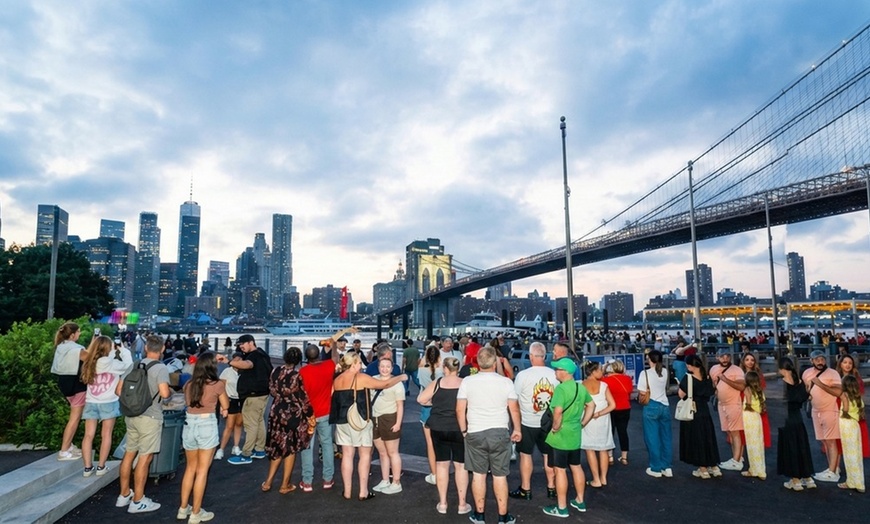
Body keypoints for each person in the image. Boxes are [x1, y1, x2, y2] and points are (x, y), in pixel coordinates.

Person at [455, 346, 522, 524]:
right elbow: (513, 408)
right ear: (494, 362)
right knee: (500, 476)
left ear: (478, 362)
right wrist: (517, 429)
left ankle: (480, 514)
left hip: (475, 431)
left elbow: (460, 409)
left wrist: (464, 430)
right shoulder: (506, 382)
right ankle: (503, 517)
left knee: (479, 475)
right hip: (499, 431)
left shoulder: (467, 382)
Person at [330, 353, 406, 501]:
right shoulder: (360, 378)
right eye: (359, 363)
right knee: (364, 455)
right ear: (353, 364)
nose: (361, 366)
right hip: (359, 421)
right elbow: (384, 384)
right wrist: (400, 377)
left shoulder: (337, 380)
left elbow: (332, 397)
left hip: (342, 421)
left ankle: (347, 491)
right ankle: (363, 492)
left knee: (347, 455)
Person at [117, 335, 172, 514]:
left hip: (131, 415)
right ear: (162, 349)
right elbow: (164, 393)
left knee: (129, 454)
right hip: (150, 418)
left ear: (146, 348)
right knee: (145, 458)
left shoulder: (133, 365)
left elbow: (118, 390)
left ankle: (124, 495)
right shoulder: (161, 368)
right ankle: (138, 500)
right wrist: (169, 393)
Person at [178, 352, 229, 523]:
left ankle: (183, 508)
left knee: (190, 468)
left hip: (189, 424)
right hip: (206, 425)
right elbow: (226, 405)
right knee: (202, 471)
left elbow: (187, 404)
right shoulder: (217, 385)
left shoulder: (188, 384)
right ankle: (196, 513)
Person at [542, 358, 595, 518]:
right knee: (576, 466)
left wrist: (556, 427)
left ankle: (562, 507)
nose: (555, 372)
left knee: (560, 470)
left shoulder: (561, 389)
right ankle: (580, 500)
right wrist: (583, 423)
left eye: (557, 369)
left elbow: (557, 411)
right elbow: (591, 406)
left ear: (564, 372)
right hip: (575, 433)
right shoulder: (580, 387)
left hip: (561, 436)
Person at [418, 357, 471, 515]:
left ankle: (442, 503)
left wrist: (435, 403)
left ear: (444, 368)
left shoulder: (438, 382)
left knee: (442, 465)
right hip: (458, 428)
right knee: (461, 466)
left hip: (438, 427)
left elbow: (420, 399)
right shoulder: (464, 383)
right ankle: (462, 504)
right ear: (458, 368)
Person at [261, 347, 314, 494]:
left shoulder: (275, 371)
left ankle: (268, 482)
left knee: (277, 446)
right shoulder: (297, 375)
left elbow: (271, 390)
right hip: (292, 413)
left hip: (276, 410)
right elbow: (303, 399)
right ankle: (285, 485)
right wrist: (310, 415)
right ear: (298, 360)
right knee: (290, 448)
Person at [509, 342, 557, 501]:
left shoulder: (523, 375)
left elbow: (513, 400)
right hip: (549, 423)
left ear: (530, 356)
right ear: (545, 356)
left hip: (527, 421)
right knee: (548, 455)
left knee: (525, 455)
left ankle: (526, 489)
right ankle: (551, 487)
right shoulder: (554, 374)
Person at [80, 335, 132, 477]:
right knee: (106, 435)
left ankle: (87, 468)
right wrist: (122, 350)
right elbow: (129, 366)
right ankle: (101, 466)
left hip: (91, 401)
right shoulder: (112, 364)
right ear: (109, 348)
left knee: (88, 435)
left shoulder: (89, 363)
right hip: (109, 402)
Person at [227, 334, 273, 465]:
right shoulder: (262, 354)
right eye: (239, 345)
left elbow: (247, 365)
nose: (241, 347)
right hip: (262, 394)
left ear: (251, 342)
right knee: (258, 421)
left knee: (251, 424)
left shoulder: (253, 356)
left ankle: (246, 454)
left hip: (253, 396)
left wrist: (228, 361)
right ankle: (259, 449)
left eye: (243, 344)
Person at [298, 344, 337, 492]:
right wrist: (332, 345)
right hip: (325, 412)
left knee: (307, 447)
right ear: (319, 355)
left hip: (309, 415)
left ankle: (307, 481)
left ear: (306, 357)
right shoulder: (328, 366)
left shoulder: (302, 371)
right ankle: (327, 479)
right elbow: (335, 357)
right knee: (327, 445)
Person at [678, 354, 721, 479]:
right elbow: (712, 392)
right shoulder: (707, 377)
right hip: (705, 411)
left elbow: (681, 394)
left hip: (693, 412)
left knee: (697, 439)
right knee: (708, 438)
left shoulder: (688, 378)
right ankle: (714, 466)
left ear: (690, 366)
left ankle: (702, 469)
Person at [802, 350, 842, 483]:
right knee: (824, 441)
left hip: (830, 410)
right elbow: (806, 388)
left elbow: (838, 392)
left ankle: (833, 471)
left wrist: (821, 384)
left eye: (822, 359)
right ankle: (832, 468)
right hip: (815, 411)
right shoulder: (806, 373)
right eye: (817, 359)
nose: (820, 362)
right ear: (811, 361)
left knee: (831, 441)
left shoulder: (832, 373)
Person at [776, 357, 816, 491]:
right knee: (801, 446)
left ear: (781, 369)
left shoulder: (781, 383)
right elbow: (804, 397)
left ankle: (795, 479)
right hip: (798, 418)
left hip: (786, 418)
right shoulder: (799, 381)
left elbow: (783, 401)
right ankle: (808, 477)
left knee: (790, 448)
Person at [51, 321, 87, 461]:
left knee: (73, 415)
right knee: (75, 418)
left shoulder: (61, 346)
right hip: (77, 384)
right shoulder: (76, 349)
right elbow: (89, 357)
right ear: (72, 335)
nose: (79, 334)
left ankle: (69, 446)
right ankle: (64, 450)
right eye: (78, 332)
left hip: (64, 383)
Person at [371, 357, 406, 494]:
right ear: (378, 367)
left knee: (393, 452)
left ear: (392, 368)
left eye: (387, 367)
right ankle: (385, 480)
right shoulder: (373, 379)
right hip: (375, 418)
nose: (384, 369)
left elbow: (400, 405)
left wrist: (398, 423)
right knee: (382, 452)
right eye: (382, 366)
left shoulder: (397, 383)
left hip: (390, 418)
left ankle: (396, 482)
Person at [638, 350, 673, 478]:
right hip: (665, 405)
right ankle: (667, 467)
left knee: (652, 438)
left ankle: (656, 467)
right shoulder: (664, 371)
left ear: (650, 360)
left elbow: (642, 392)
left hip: (651, 405)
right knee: (666, 437)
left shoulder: (645, 373)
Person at [580, 360, 615, 487]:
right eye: (600, 370)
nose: (602, 372)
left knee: (590, 449)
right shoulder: (604, 386)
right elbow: (612, 405)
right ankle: (604, 478)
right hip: (603, 420)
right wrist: (599, 413)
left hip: (587, 419)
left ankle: (596, 479)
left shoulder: (582, 385)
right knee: (603, 448)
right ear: (593, 371)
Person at [709, 348, 745, 472]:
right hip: (721, 405)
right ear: (717, 358)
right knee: (729, 432)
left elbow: (741, 386)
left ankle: (736, 460)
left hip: (734, 404)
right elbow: (714, 384)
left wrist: (725, 380)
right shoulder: (713, 369)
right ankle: (737, 457)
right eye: (722, 356)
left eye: (727, 356)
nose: (725, 359)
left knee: (735, 432)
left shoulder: (736, 370)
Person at [417, 343, 443, 485]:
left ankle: (434, 474)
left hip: (427, 409)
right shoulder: (442, 372)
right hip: (441, 408)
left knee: (430, 444)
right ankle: (443, 472)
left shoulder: (421, 370)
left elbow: (418, 379)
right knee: (442, 444)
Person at [837, 354, 870, 458]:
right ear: (840, 364)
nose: (847, 365)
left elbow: (859, 395)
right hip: (837, 405)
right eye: (845, 362)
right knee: (837, 437)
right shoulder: (835, 376)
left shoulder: (856, 378)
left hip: (852, 409)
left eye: (850, 363)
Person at [601, 359, 633, 467]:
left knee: (610, 432)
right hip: (625, 408)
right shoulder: (627, 379)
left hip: (611, 408)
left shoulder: (605, 380)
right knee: (623, 432)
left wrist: (604, 367)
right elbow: (629, 391)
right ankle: (624, 457)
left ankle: (610, 456)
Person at [837, 375, 866, 493]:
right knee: (857, 454)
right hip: (855, 426)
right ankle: (859, 482)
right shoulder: (858, 397)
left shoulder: (845, 396)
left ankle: (853, 482)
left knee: (849, 455)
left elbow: (846, 410)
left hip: (846, 425)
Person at [215, 351, 243, 460]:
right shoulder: (227, 371)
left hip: (240, 400)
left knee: (239, 424)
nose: (237, 363)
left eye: (240, 361)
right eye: (235, 360)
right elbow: (221, 387)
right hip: (230, 400)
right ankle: (221, 449)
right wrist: (222, 405)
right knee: (229, 426)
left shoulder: (244, 372)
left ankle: (236, 446)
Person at [741, 352, 772, 449]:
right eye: (747, 360)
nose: (750, 362)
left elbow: (761, 389)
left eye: (752, 360)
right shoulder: (740, 373)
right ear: (743, 361)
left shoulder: (757, 374)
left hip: (755, 401)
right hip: (741, 399)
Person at [741, 371, 767, 480]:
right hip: (757, 417)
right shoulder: (760, 391)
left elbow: (748, 405)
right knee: (759, 443)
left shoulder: (747, 390)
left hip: (748, 416)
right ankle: (760, 470)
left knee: (752, 445)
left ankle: (755, 470)